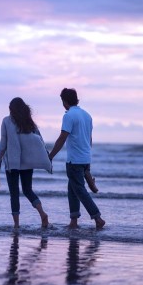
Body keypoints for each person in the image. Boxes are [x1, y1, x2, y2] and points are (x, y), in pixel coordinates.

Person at [48, 88, 106, 229]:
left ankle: (98, 218)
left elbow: (62, 138)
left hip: (74, 161)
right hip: (86, 159)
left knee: (79, 190)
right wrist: (87, 156)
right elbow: (89, 139)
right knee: (72, 189)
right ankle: (73, 221)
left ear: (64, 101)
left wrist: (50, 156)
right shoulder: (87, 115)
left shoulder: (69, 116)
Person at [0, 97, 51, 229]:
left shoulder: (6, 121)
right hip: (27, 163)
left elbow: (3, 143)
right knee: (27, 190)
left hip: (13, 164)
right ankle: (42, 214)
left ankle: (16, 225)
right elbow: (40, 141)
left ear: (12, 110)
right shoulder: (29, 123)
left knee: (14, 193)